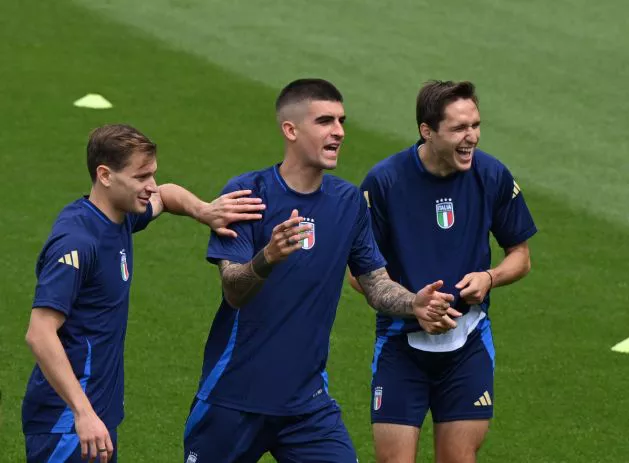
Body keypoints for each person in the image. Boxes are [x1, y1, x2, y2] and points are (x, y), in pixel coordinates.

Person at [183, 78, 458, 463]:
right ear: (291, 130)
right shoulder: (248, 193)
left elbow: (376, 285)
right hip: (233, 396)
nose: (339, 132)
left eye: (341, 120)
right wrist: (268, 257)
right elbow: (234, 289)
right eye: (325, 121)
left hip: (306, 405)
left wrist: (415, 304)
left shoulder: (348, 202)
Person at [22, 124, 266, 463]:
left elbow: (164, 196)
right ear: (105, 175)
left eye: (151, 173)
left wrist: (203, 211)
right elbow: (39, 333)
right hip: (67, 422)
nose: (150, 185)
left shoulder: (117, 217)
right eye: (141, 177)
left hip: (96, 414)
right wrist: (83, 414)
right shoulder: (78, 241)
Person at [348, 80, 537, 463]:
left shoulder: (492, 174)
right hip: (401, 346)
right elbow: (357, 273)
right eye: (459, 129)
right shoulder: (384, 182)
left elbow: (521, 256)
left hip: (467, 344)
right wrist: (412, 304)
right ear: (427, 131)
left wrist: (490, 277)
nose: (472, 138)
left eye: (475, 125)